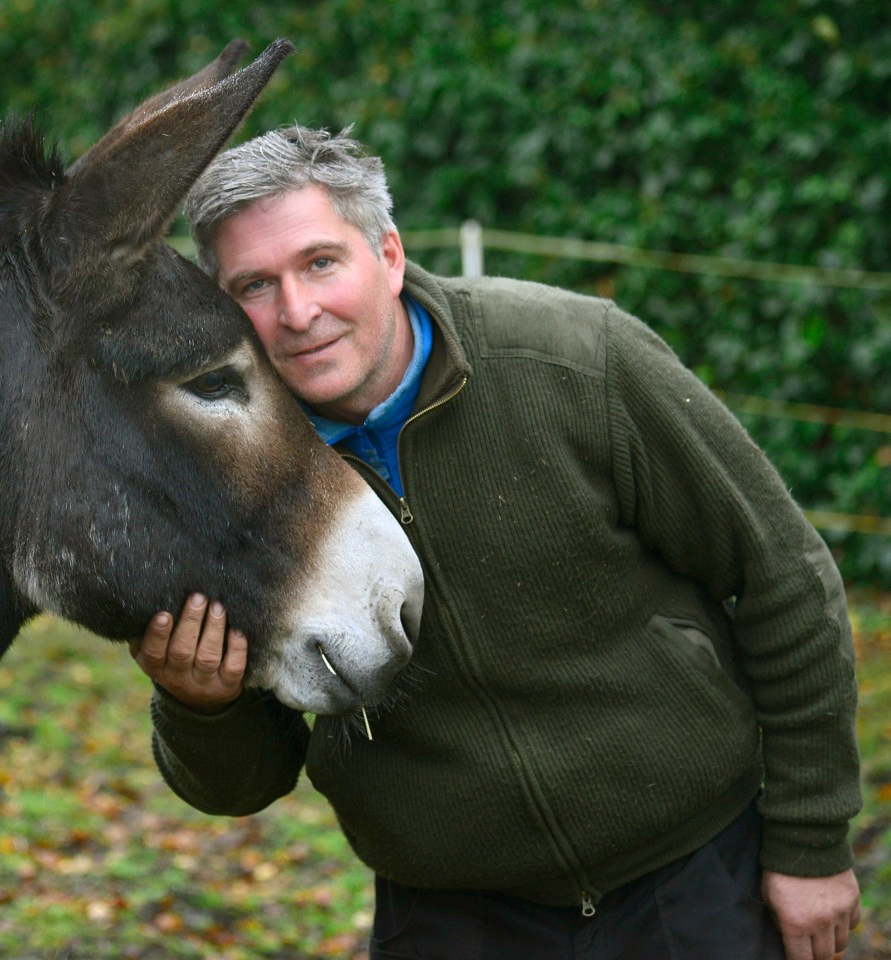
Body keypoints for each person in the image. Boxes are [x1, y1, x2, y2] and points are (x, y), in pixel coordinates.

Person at [130, 126, 863, 960]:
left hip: (692, 879)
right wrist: (202, 706)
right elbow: (244, 784)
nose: (297, 312)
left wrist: (811, 842)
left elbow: (784, 578)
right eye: (254, 286)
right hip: (450, 918)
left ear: (391, 256)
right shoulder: (217, 479)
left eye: (321, 263)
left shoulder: (580, 362)